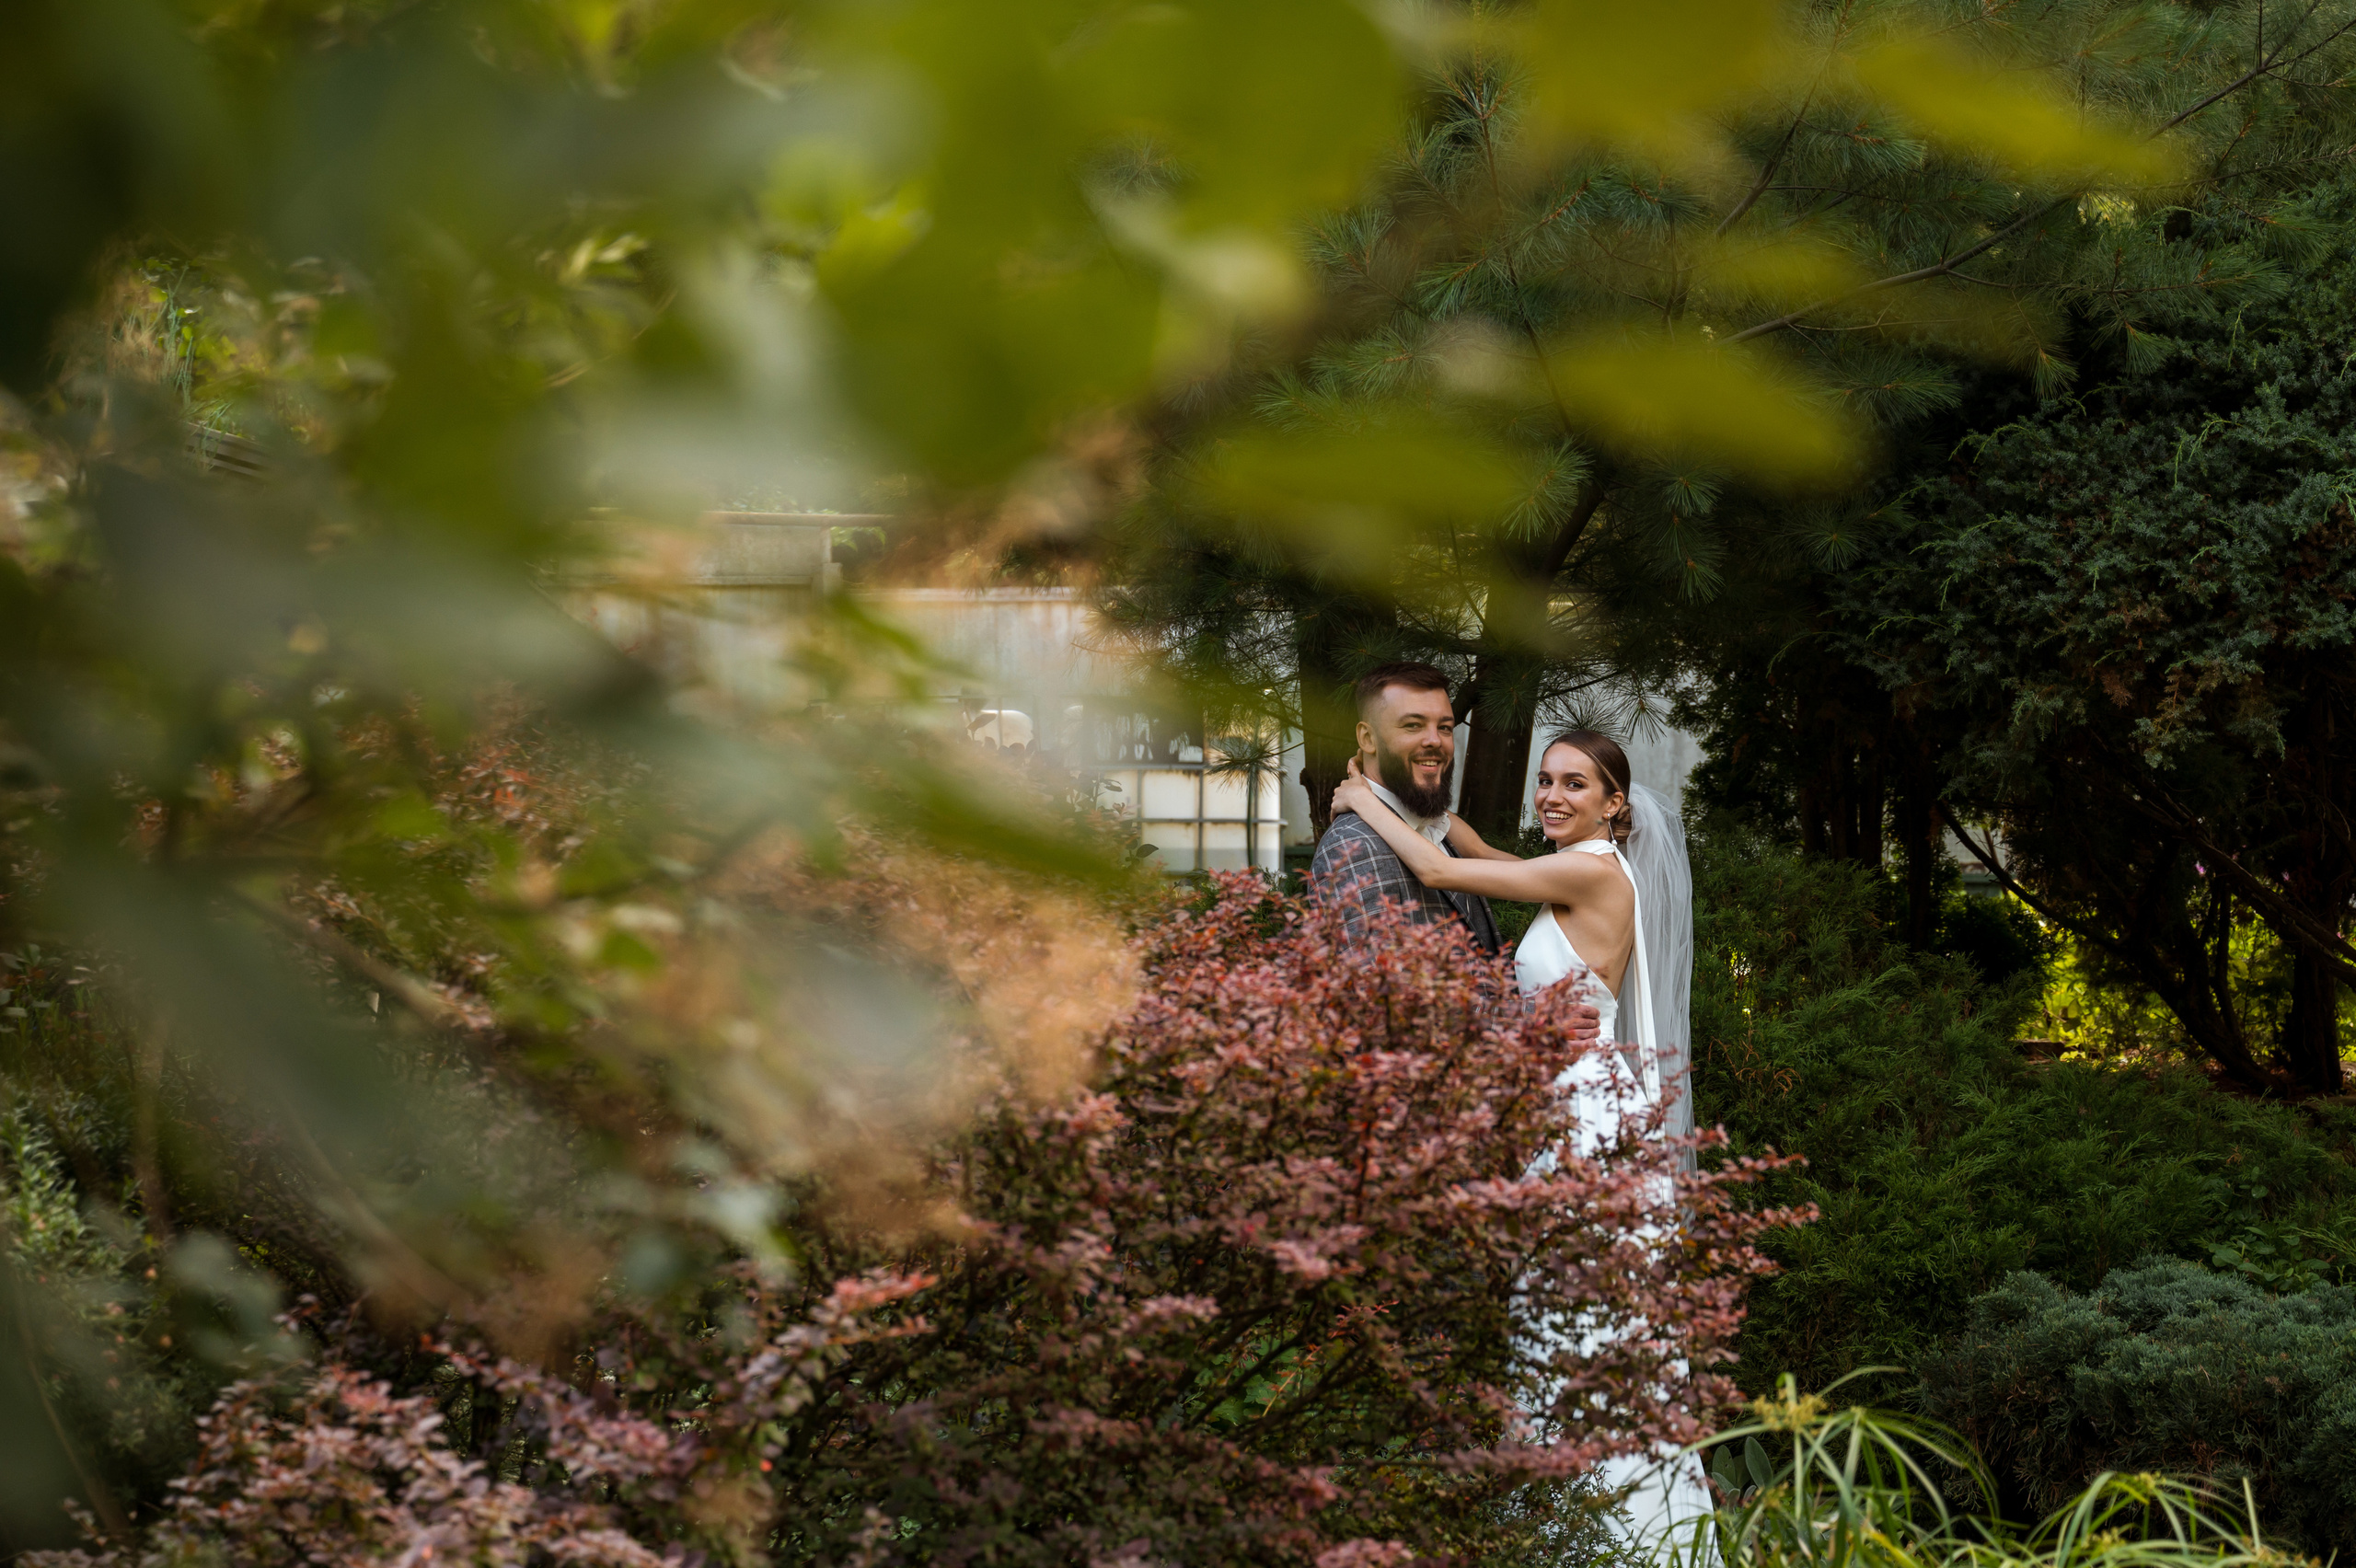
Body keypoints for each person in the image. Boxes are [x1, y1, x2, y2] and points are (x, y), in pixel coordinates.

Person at [1329, 725, 1707, 1548]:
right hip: (1572, 1116)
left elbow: (1438, 871)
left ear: (1615, 804)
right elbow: (1479, 848)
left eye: (1576, 785)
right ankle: (1573, 1525)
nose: (1552, 796)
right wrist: (1423, 804)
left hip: (1587, 1123)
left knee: (1585, 1330)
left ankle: (1615, 1541)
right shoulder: (1580, 871)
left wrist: (1361, 800)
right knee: (1562, 1329)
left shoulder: (1586, 871)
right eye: (1545, 780)